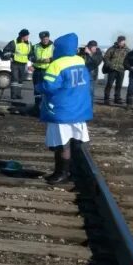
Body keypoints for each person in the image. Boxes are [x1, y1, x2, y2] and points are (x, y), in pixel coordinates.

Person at [35, 32, 93, 185]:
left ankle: (62, 173)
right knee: (76, 142)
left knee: (62, 143)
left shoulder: (57, 64)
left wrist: (38, 85)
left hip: (62, 110)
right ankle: (74, 172)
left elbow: (49, 86)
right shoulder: (80, 60)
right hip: (79, 109)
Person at [2, 29, 32, 99]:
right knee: (15, 79)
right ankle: (13, 95)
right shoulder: (14, 42)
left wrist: (32, 61)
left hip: (23, 64)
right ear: (22, 36)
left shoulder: (29, 44)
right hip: (15, 63)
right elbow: (5, 51)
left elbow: (30, 54)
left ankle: (18, 94)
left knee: (21, 80)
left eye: (28, 36)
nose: (28, 37)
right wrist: (11, 56)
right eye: (26, 36)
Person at [29, 31, 54, 113]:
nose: (45, 40)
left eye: (46, 38)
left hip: (49, 71)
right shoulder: (35, 46)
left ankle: (48, 108)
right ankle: (37, 107)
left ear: (49, 38)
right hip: (37, 71)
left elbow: (58, 57)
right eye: (43, 39)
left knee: (48, 90)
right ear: (40, 39)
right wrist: (35, 61)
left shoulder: (54, 46)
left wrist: (50, 60)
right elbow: (30, 56)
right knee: (37, 89)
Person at [102, 36, 130, 105]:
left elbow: (130, 60)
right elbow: (106, 57)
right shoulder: (112, 49)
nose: (120, 42)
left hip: (121, 70)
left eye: (122, 41)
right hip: (112, 70)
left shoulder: (128, 50)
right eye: (119, 41)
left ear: (124, 41)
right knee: (109, 85)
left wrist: (126, 67)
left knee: (119, 85)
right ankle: (106, 99)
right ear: (117, 41)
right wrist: (109, 65)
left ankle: (117, 98)